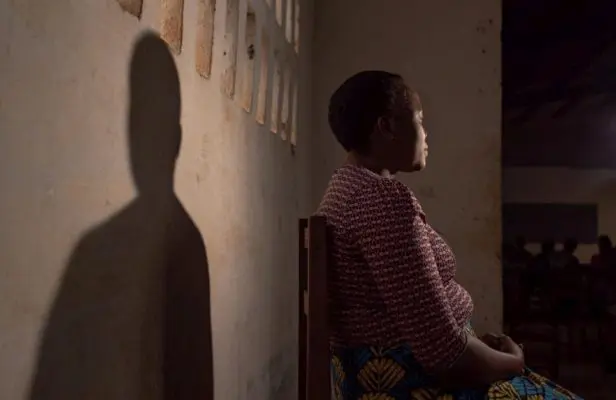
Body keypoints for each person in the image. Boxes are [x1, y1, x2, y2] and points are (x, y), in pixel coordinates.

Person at [316, 71, 580, 399]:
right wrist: (515, 361)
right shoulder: (380, 201)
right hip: (412, 382)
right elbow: (445, 356)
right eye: (420, 120)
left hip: (384, 373)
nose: (426, 134)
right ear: (387, 127)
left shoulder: (345, 189)